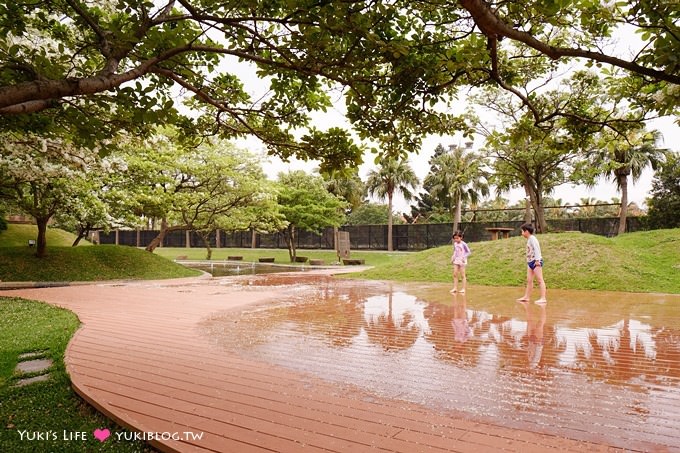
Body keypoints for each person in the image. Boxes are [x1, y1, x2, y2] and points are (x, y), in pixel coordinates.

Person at [517, 223, 547, 304]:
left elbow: (537, 249)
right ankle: (526, 297)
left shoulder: (533, 239)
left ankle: (543, 298)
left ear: (526, 231)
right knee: (529, 280)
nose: (522, 233)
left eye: (522, 231)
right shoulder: (529, 239)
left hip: (536, 262)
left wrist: (537, 261)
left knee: (540, 280)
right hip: (530, 262)